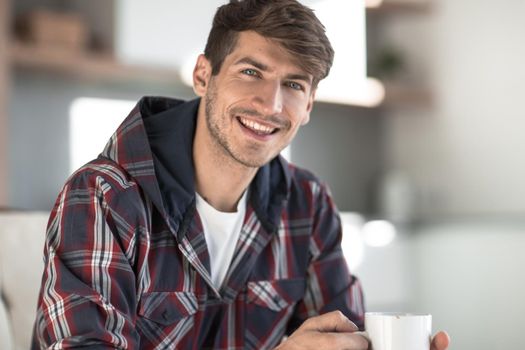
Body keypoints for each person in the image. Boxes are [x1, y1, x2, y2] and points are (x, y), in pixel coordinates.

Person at [32, 0, 450, 349]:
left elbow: (342, 335)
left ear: (308, 106)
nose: (271, 104)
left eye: (293, 84)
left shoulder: (308, 204)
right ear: (203, 75)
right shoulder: (104, 198)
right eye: (251, 72)